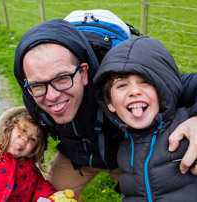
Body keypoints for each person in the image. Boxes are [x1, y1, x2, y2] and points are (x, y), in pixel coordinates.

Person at [13, 19, 197, 194]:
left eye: (62, 78)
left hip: (123, 156)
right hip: (75, 158)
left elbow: (180, 85)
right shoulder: (33, 94)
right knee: (48, 197)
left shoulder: (113, 77)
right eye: (37, 84)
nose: (52, 96)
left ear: (84, 72)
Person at [93, 35, 197, 201]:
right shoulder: (124, 145)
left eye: (145, 82)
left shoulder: (186, 126)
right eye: (122, 85)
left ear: (164, 89)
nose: (134, 91)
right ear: (110, 104)